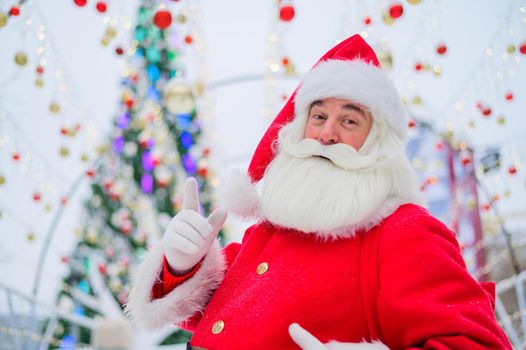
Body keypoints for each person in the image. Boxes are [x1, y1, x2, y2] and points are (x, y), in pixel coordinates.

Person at [125, 34, 512, 349]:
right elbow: (215, 315)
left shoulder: (406, 231)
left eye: (349, 119)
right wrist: (181, 266)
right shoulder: (271, 229)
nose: (327, 133)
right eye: (319, 116)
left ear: (377, 141)